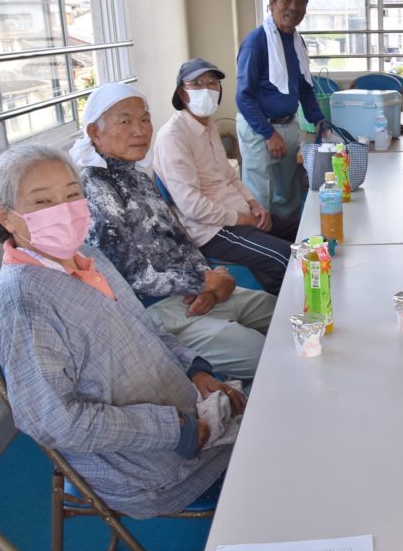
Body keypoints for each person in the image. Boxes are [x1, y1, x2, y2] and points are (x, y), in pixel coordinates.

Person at [0, 143, 245, 519]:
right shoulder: (22, 302)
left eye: (71, 195)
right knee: (276, 464)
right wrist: (174, 429)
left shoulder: (90, 256)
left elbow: (146, 327)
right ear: (5, 217)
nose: (63, 210)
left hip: (189, 413)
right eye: (42, 202)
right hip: (152, 468)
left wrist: (196, 371)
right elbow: (54, 420)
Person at [70, 83, 275, 380]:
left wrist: (211, 281)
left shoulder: (138, 177)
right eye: (126, 121)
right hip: (157, 313)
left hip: (192, 291)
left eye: (145, 119)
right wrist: (204, 281)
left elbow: (179, 240)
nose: (140, 130)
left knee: (280, 312)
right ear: (94, 132)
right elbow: (130, 276)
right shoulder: (95, 188)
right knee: (263, 354)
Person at [155, 58, 296, 294]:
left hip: (239, 214)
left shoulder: (209, 125)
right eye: (196, 84)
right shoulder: (173, 137)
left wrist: (254, 204)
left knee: (304, 232)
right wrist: (244, 219)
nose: (206, 89)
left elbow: (230, 176)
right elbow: (192, 207)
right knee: (286, 258)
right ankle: (275, 311)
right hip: (213, 231)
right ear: (181, 93)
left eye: (212, 83)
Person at [236, 0, 327, 225]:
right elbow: (243, 96)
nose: (294, 7)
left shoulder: (297, 42)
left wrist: (319, 120)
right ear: (272, 4)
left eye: (301, 1)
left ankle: (287, 240)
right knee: (260, 196)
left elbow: (304, 87)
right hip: (259, 128)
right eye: (287, 0)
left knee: (288, 193)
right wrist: (268, 134)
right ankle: (261, 245)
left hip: (289, 124)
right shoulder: (256, 42)